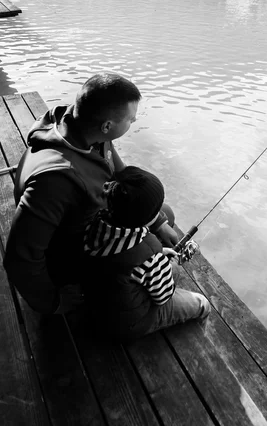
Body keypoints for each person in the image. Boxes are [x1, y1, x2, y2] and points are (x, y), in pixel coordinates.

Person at [3, 73, 178, 315]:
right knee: (147, 246)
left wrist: (157, 222)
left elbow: (122, 176)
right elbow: (19, 257)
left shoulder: (87, 130)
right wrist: (52, 302)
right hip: (67, 253)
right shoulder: (54, 181)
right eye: (131, 119)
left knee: (163, 213)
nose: (134, 121)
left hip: (82, 222)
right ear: (107, 125)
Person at [82, 166, 211, 341]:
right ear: (147, 220)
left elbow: (126, 260)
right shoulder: (149, 252)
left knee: (165, 270)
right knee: (202, 303)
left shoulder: (96, 224)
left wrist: (158, 257)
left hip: (97, 304)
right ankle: (201, 342)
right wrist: (166, 264)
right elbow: (163, 296)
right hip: (127, 324)